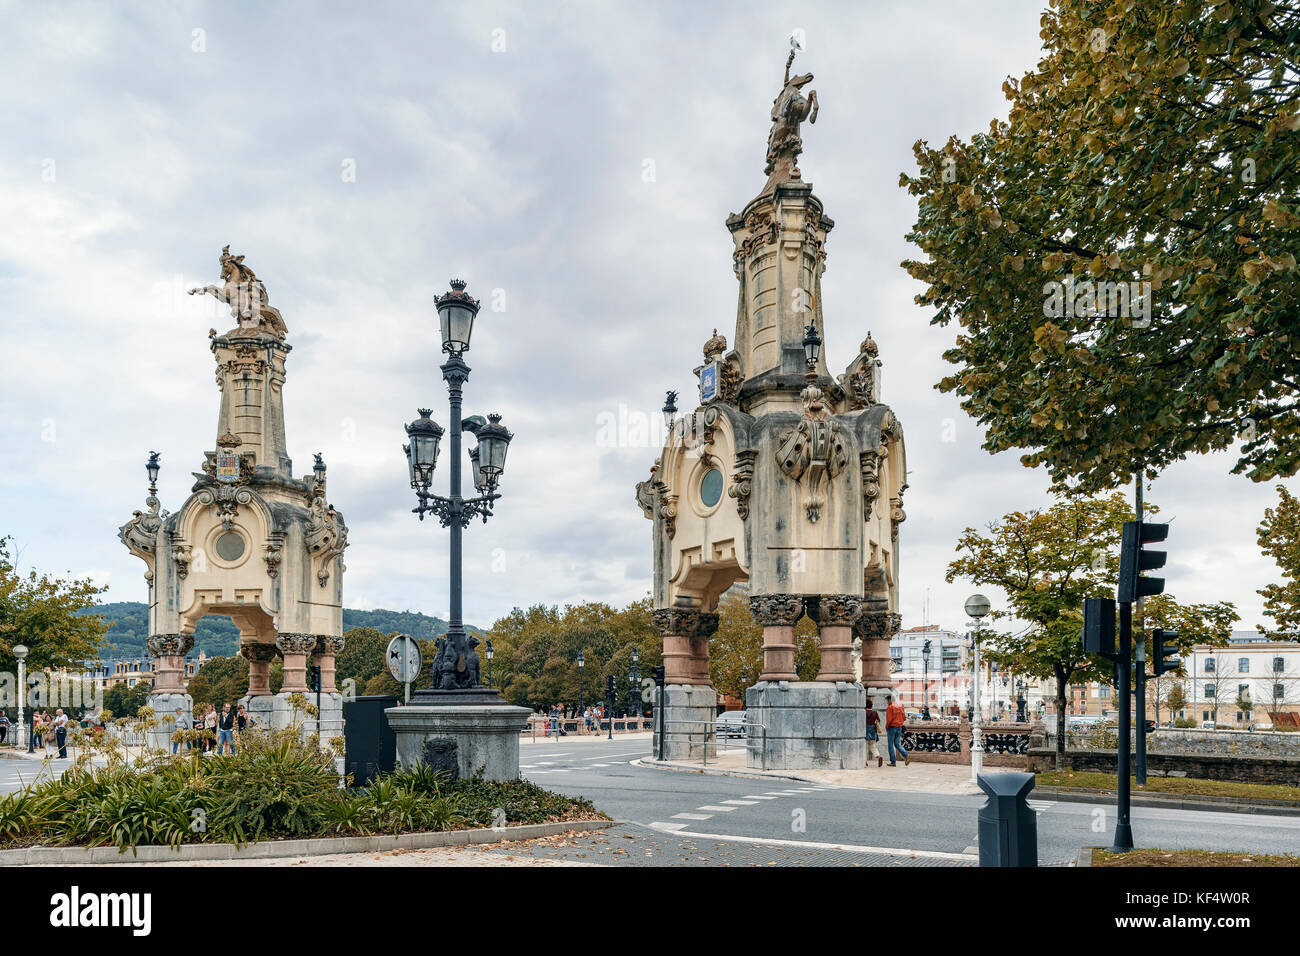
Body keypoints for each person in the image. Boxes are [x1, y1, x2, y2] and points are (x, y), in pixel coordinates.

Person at [884, 693, 910, 767]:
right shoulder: (900, 707)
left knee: (890, 745)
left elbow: (889, 720)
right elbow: (904, 718)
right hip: (899, 727)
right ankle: (906, 755)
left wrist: (886, 727)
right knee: (897, 744)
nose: (886, 702)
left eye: (887, 700)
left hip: (892, 727)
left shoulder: (890, 707)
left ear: (889, 700)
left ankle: (893, 762)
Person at [864, 698, 883, 768]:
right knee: (873, 746)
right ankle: (878, 756)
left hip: (865, 731)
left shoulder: (864, 712)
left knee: (865, 747)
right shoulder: (875, 712)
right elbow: (878, 720)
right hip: (873, 731)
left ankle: (864, 762)